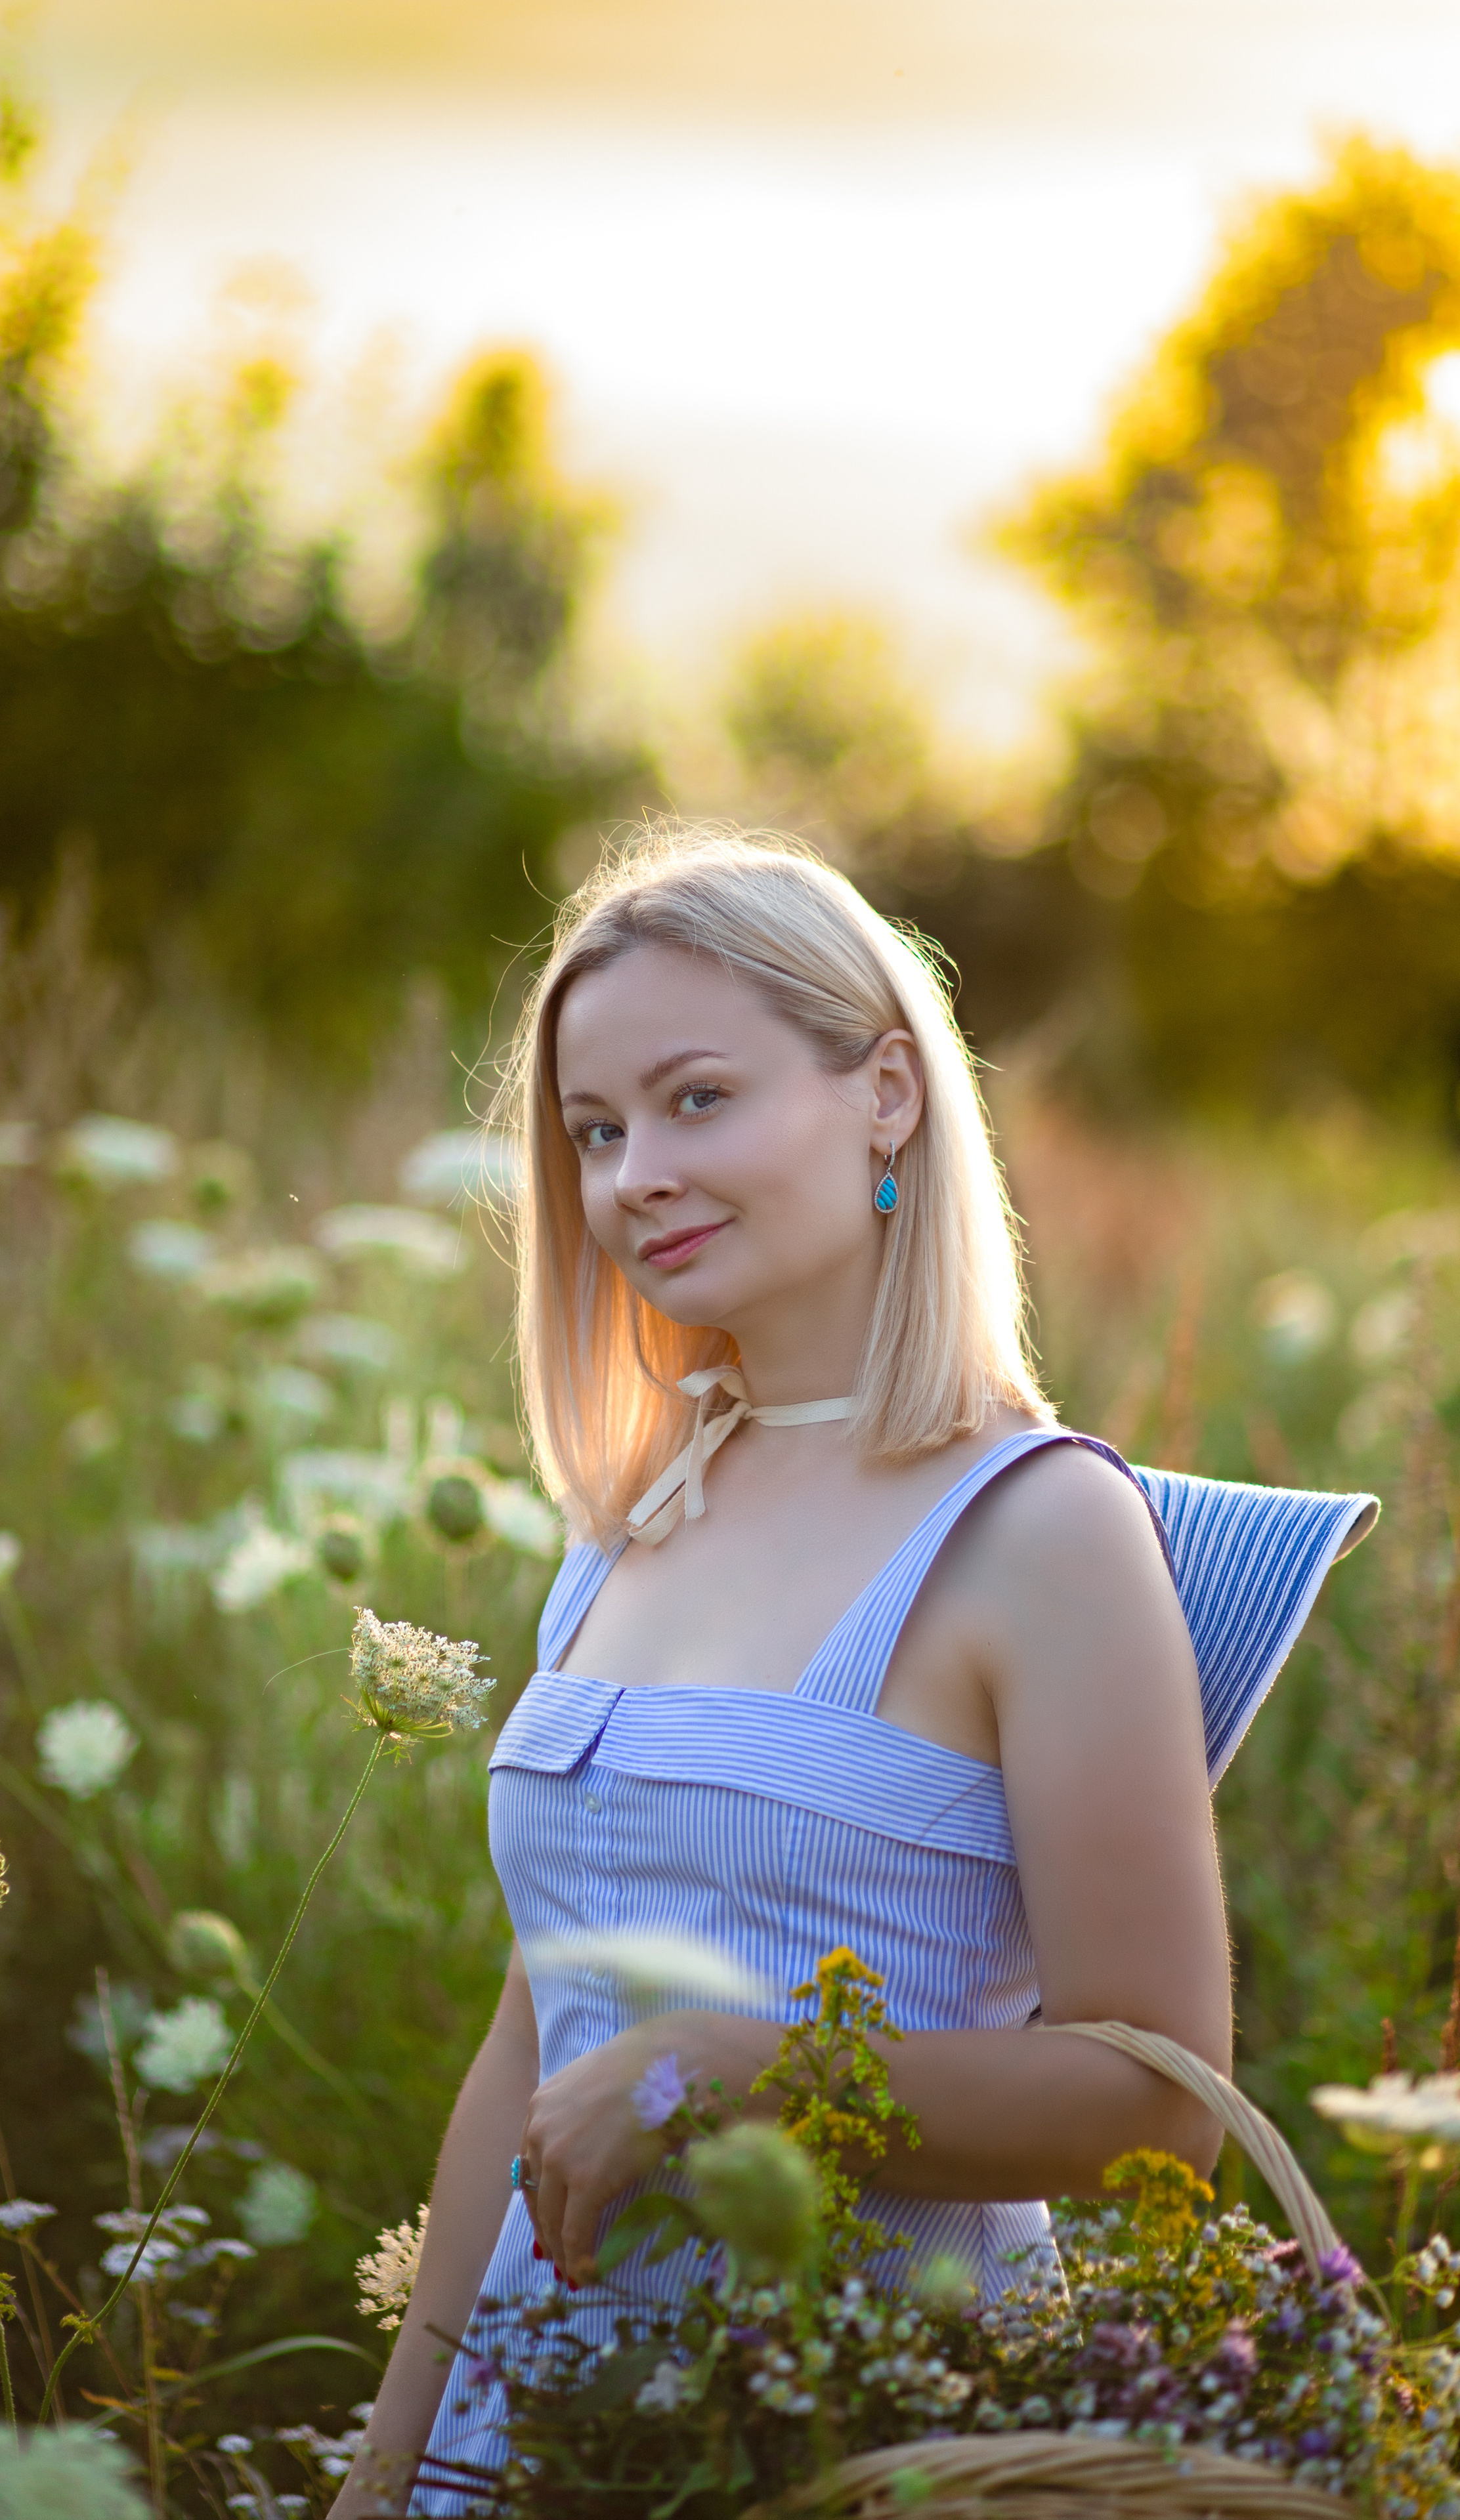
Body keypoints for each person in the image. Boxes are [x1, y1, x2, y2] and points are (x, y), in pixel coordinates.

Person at [329, 828, 1375, 2518]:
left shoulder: (1041, 1530)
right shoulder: (626, 1526)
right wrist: (392, 2478)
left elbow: (1155, 2103)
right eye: (594, 1134)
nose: (632, 1176)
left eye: (695, 1100)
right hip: (556, 2445)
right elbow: (540, 2045)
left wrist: (721, 2077)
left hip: (891, 2434)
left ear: (887, 1092)